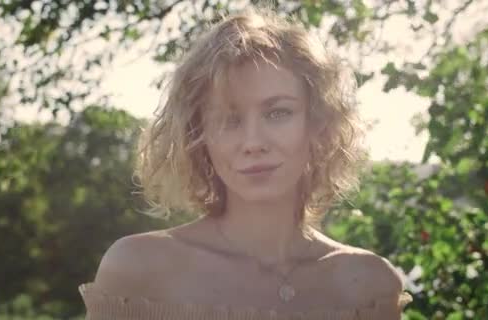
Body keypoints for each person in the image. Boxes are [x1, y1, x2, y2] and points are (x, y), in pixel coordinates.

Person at [79, 6, 412, 320]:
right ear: (199, 135)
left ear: (318, 125)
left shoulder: (370, 285)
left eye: (277, 113)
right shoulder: (138, 269)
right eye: (229, 119)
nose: (253, 143)